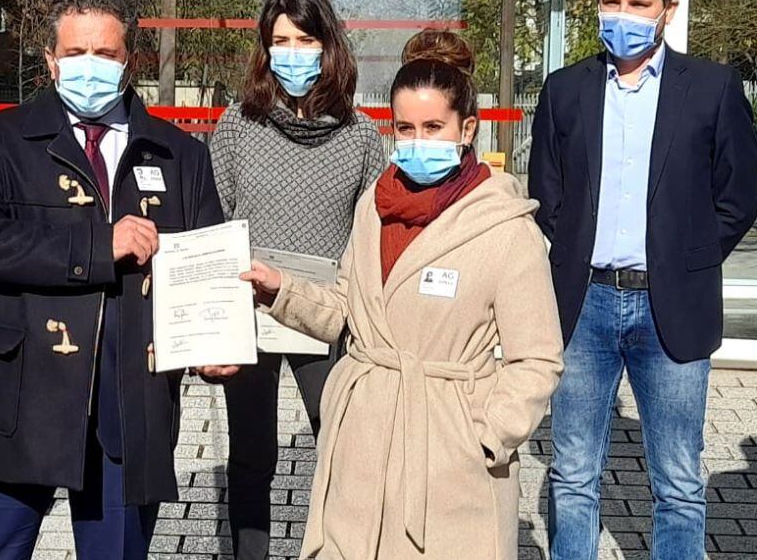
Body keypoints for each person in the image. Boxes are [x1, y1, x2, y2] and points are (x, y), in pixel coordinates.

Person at [241, 30, 564, 559]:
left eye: (434, 127)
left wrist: (485, 434)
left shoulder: (505, 226)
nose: (417, 141)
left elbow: (538, 358)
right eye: (406, 128)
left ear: (468, 130)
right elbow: (349, 308)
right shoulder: (375, 204)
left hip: (451, 455)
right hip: (363, 442)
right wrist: (283, 290)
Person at [0, 0, 236, 560]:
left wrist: (213, 343)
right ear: (51, 60)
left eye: (105, 54)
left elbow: (205, 266)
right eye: (75, 53)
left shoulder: (181, 155)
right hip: (20, 396)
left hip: (129, 407)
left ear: (130, 61)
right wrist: (99, 245)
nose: (89, 67)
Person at [528, 0, 757, 557]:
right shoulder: (564, 89)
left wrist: (691, 264)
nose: (622, 15)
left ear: (667, 9)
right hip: (584, 307)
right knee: (572, 474)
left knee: (679, 481)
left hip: (671, 307)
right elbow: (547, 196)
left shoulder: (713, 87)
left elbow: (737, 198)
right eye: (612, 2)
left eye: (638, 3)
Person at [209, 0, 386, 558]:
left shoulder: (361, 138)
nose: (292, 52)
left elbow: (372, 234)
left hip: (323, 315)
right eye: (279, 40)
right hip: (249, 313)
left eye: (304, 39)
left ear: (328, 45)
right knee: (252, 453)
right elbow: (215, 219)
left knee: (339, 448)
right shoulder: (237, 126)